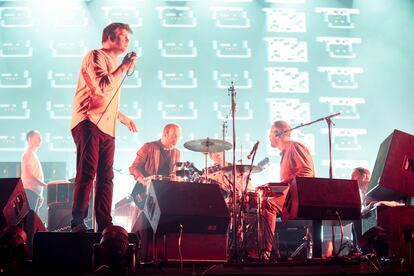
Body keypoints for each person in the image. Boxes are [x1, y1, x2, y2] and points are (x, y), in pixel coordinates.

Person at [70, 22, 138, 232]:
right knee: (88, 171)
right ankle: (77, 221)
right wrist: (124, 67)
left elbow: (106, 99)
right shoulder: (95, 56)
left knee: (106, 176)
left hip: (107, 128)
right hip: (89, 121)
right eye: (123, 36)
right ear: (109, 36)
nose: (127, 40)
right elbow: (102, 86)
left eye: (128, 37)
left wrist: (121, 117)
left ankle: (104, 224)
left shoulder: (114, 63)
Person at [262, 120, 315, 259]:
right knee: (261, 202)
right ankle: (268, 251)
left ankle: (264, 253)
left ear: (277, 133)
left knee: (268, 204)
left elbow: (306, 173)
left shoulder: (294, 146)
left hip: (300, 197)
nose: (269, 138)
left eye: (270, 134)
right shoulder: (285, 152)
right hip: (292, 194)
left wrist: (277, 185)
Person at [129, 123, 181, 261]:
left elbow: (174, 174)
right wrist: (143, 179)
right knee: (147, 224)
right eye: (173, 136)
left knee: (165, 223)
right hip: (145, 191)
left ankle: (162, 257)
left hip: (164, 194)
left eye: (178, 136)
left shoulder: (176, 152)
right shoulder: (149, 147)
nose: (176, 139)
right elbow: (133, 168)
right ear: (164, 134)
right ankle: (145, 257)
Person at [21, 130, 47, 214]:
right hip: (30, 193)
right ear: (30, 139)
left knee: (33, 220)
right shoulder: (28, 154)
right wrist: (44, 185)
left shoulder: (32, 154)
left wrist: (40, 194)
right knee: (31, 220)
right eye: (37, 138)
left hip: (33, 193)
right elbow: (28, 176)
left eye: (40, 138)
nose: (40, 140)